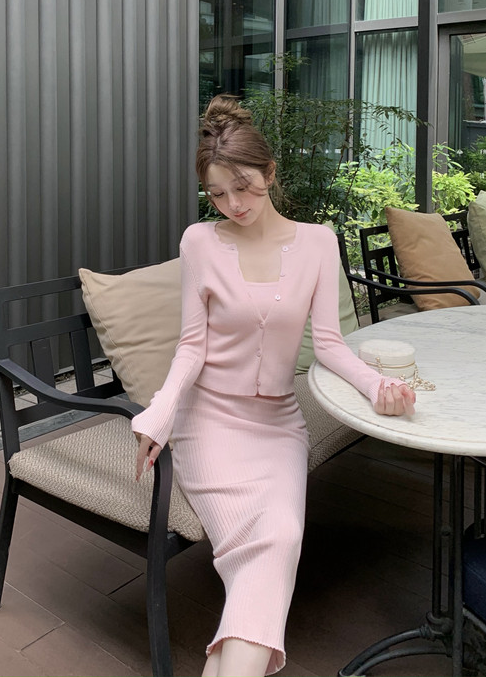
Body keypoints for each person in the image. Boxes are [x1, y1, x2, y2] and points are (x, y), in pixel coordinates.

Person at [132, 95, 416, 677]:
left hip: (278, 424)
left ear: (269, 172)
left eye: (243, 187)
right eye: (217, 194)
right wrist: (159, 414)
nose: (233, 204)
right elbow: (192, 347)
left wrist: (376, 385)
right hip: (209, 422)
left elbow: (329, 345)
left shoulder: (317, 242)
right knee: (261, 555)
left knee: (281, 536)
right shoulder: (199, 242)